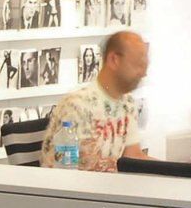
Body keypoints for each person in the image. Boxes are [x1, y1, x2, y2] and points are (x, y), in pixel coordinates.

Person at [39, 30, 151, 171]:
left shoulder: (127, 103)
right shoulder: (76, 106)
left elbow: (133, 156)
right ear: (114, 60)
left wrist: (175, 171)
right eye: (138, 65)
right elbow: (61, 170)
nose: (143, 73)